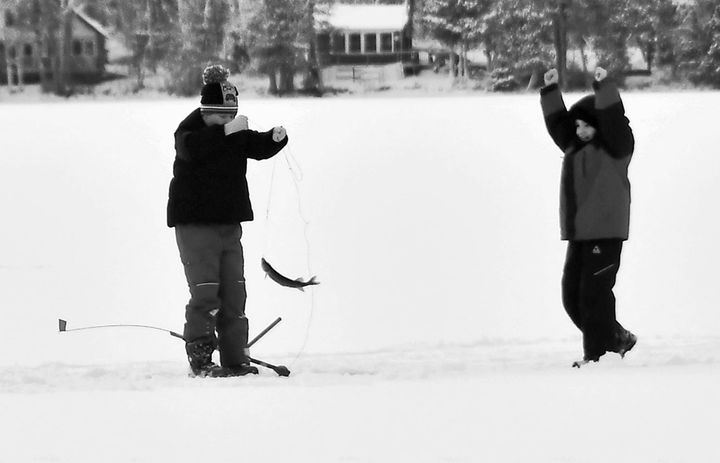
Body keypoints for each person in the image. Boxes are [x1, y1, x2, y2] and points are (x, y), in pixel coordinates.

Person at [167, 64, 289, 377]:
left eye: (230, 116)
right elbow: (197, 150)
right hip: (195, 227)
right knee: (207, 294)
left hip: (228, 225)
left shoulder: (233, 133)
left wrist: (274, 140)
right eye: (220, 117)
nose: (226, 122)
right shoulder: (189, 134)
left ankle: (236, 358)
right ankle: (201, 358)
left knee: (235, 294)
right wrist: (225, 131)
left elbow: (257, 146)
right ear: (205, 112)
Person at [540, 66, 637, 367]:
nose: (580, 131)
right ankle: (616, 338)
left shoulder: (616, 149)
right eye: (578, 126)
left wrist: (603, 86)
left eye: (587, 126)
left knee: (593, 296)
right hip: (580, 235)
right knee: (572, 296)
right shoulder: (573, 148)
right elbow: (559, 124)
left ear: (600, 125)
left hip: (606, 233)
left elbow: (613, 121)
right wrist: (551, 92)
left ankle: (597, 357)